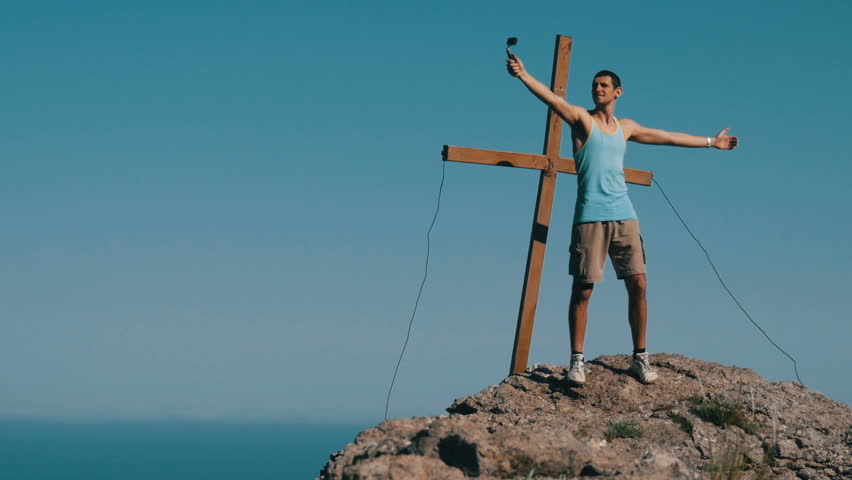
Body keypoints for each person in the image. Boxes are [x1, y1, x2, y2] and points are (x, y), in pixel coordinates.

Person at [506, 54, 738, 385]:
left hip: (624, 216)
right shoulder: (581, 120)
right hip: (589, 218)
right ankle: (577, 361)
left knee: (638, 284)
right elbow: (551, 98)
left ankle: (640, 357)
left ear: (618, 92)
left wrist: (710, 142)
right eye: (594, 85)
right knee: (583, 290)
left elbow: (666, 136)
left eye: (604, 85)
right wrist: (524, 75)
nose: (597, 89)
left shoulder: (625, 128)